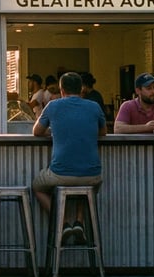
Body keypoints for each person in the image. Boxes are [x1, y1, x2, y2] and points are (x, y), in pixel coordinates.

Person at [31, 72, 107, 245]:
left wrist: (56, 130)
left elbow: (37, 132)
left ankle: (63, 223)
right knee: (90, 186)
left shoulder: (52, 106)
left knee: (38, 186)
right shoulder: (94, 106)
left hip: (60, 173)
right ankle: (79, 221)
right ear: (81, 89)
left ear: (61, 89)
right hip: (92, 175)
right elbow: (103, 131)